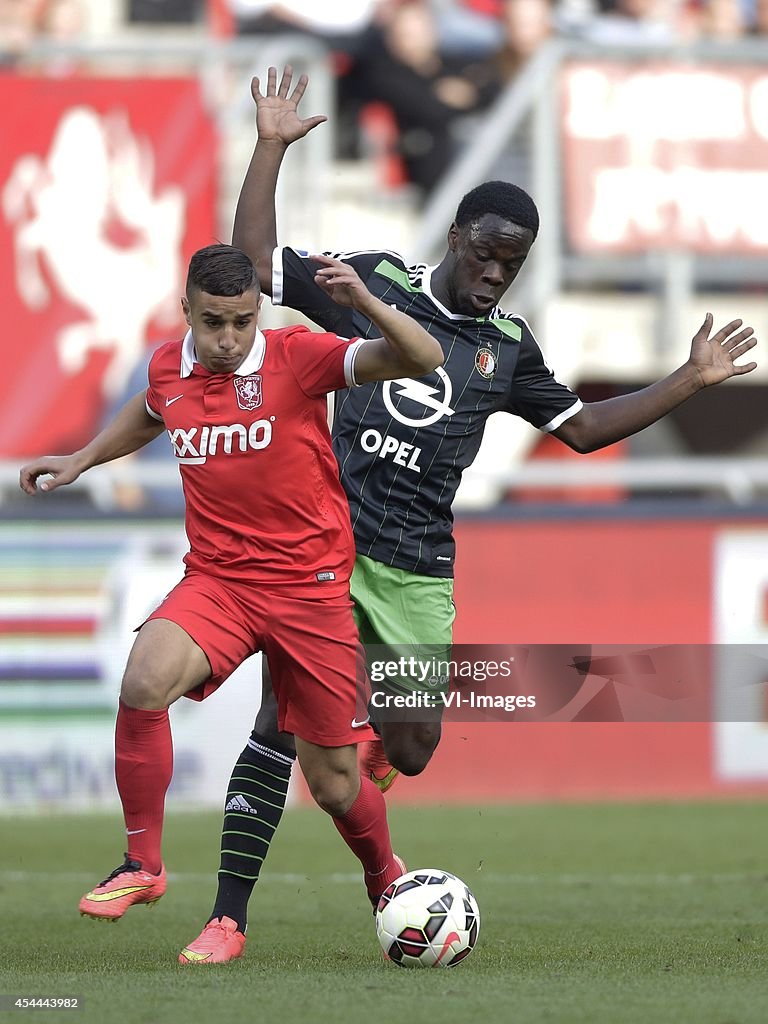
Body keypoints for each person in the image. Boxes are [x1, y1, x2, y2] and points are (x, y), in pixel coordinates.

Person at [177, 66, 758, 964]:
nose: (495, 272)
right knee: (276, 727)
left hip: (416, 570)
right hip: (322, 551)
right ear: (455, 235)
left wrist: (690, 378)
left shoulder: (508, 350)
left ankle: (363, 746)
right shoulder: (377, 281)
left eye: (512, 263)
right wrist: (270, 146)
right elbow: (254, 269)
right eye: (485, 252)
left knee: (410, 748)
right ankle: (227, 918)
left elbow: (586, 430)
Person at [19, 240, 443, 962]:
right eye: (213, 321)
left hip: (309, 591)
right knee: (144, 679)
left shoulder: (297, 356)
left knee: (336, 784)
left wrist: (368, 307)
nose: (226, 339)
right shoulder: (168, 366)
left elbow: (423, 359)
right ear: (186, 311)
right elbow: (153, 411)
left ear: (258, 314)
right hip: (219, 579)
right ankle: (144, 866)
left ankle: (386, 878)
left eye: (241, 322)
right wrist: (83, 458)